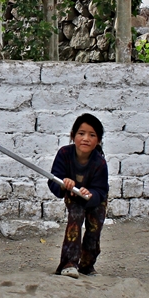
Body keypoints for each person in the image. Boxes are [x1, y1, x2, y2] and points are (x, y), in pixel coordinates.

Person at [48, 113, 109, 278]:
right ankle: (68, 264)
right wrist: (63, 184)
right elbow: (53, 181)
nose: (86, 138)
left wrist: (91, 194)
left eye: (92, 135)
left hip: (95, 200)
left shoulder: (100, 163)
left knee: (94, 229)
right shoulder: (64, 154)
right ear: (73, 135)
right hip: (73, 196)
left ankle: (87, 266)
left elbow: (101, 190)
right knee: (75, 218)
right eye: (81, 133)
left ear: (99, 140)